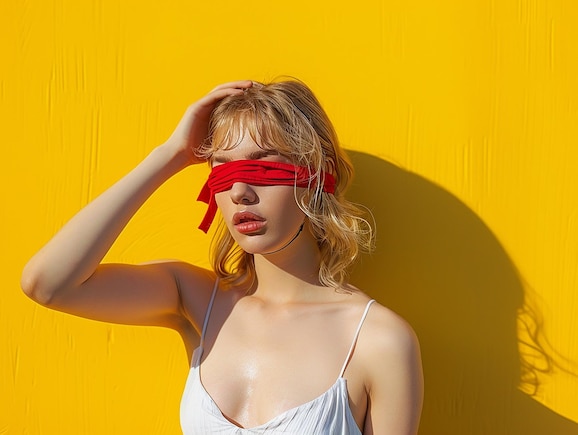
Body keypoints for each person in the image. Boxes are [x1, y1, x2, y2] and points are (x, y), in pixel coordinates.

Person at [21, 79, 423, 434]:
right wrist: (172, 154)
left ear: (318, 174)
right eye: (222, 171)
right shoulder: (195, 300)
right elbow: (47, 285)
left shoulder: (379, 341)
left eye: (264, 165)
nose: (239, 192)